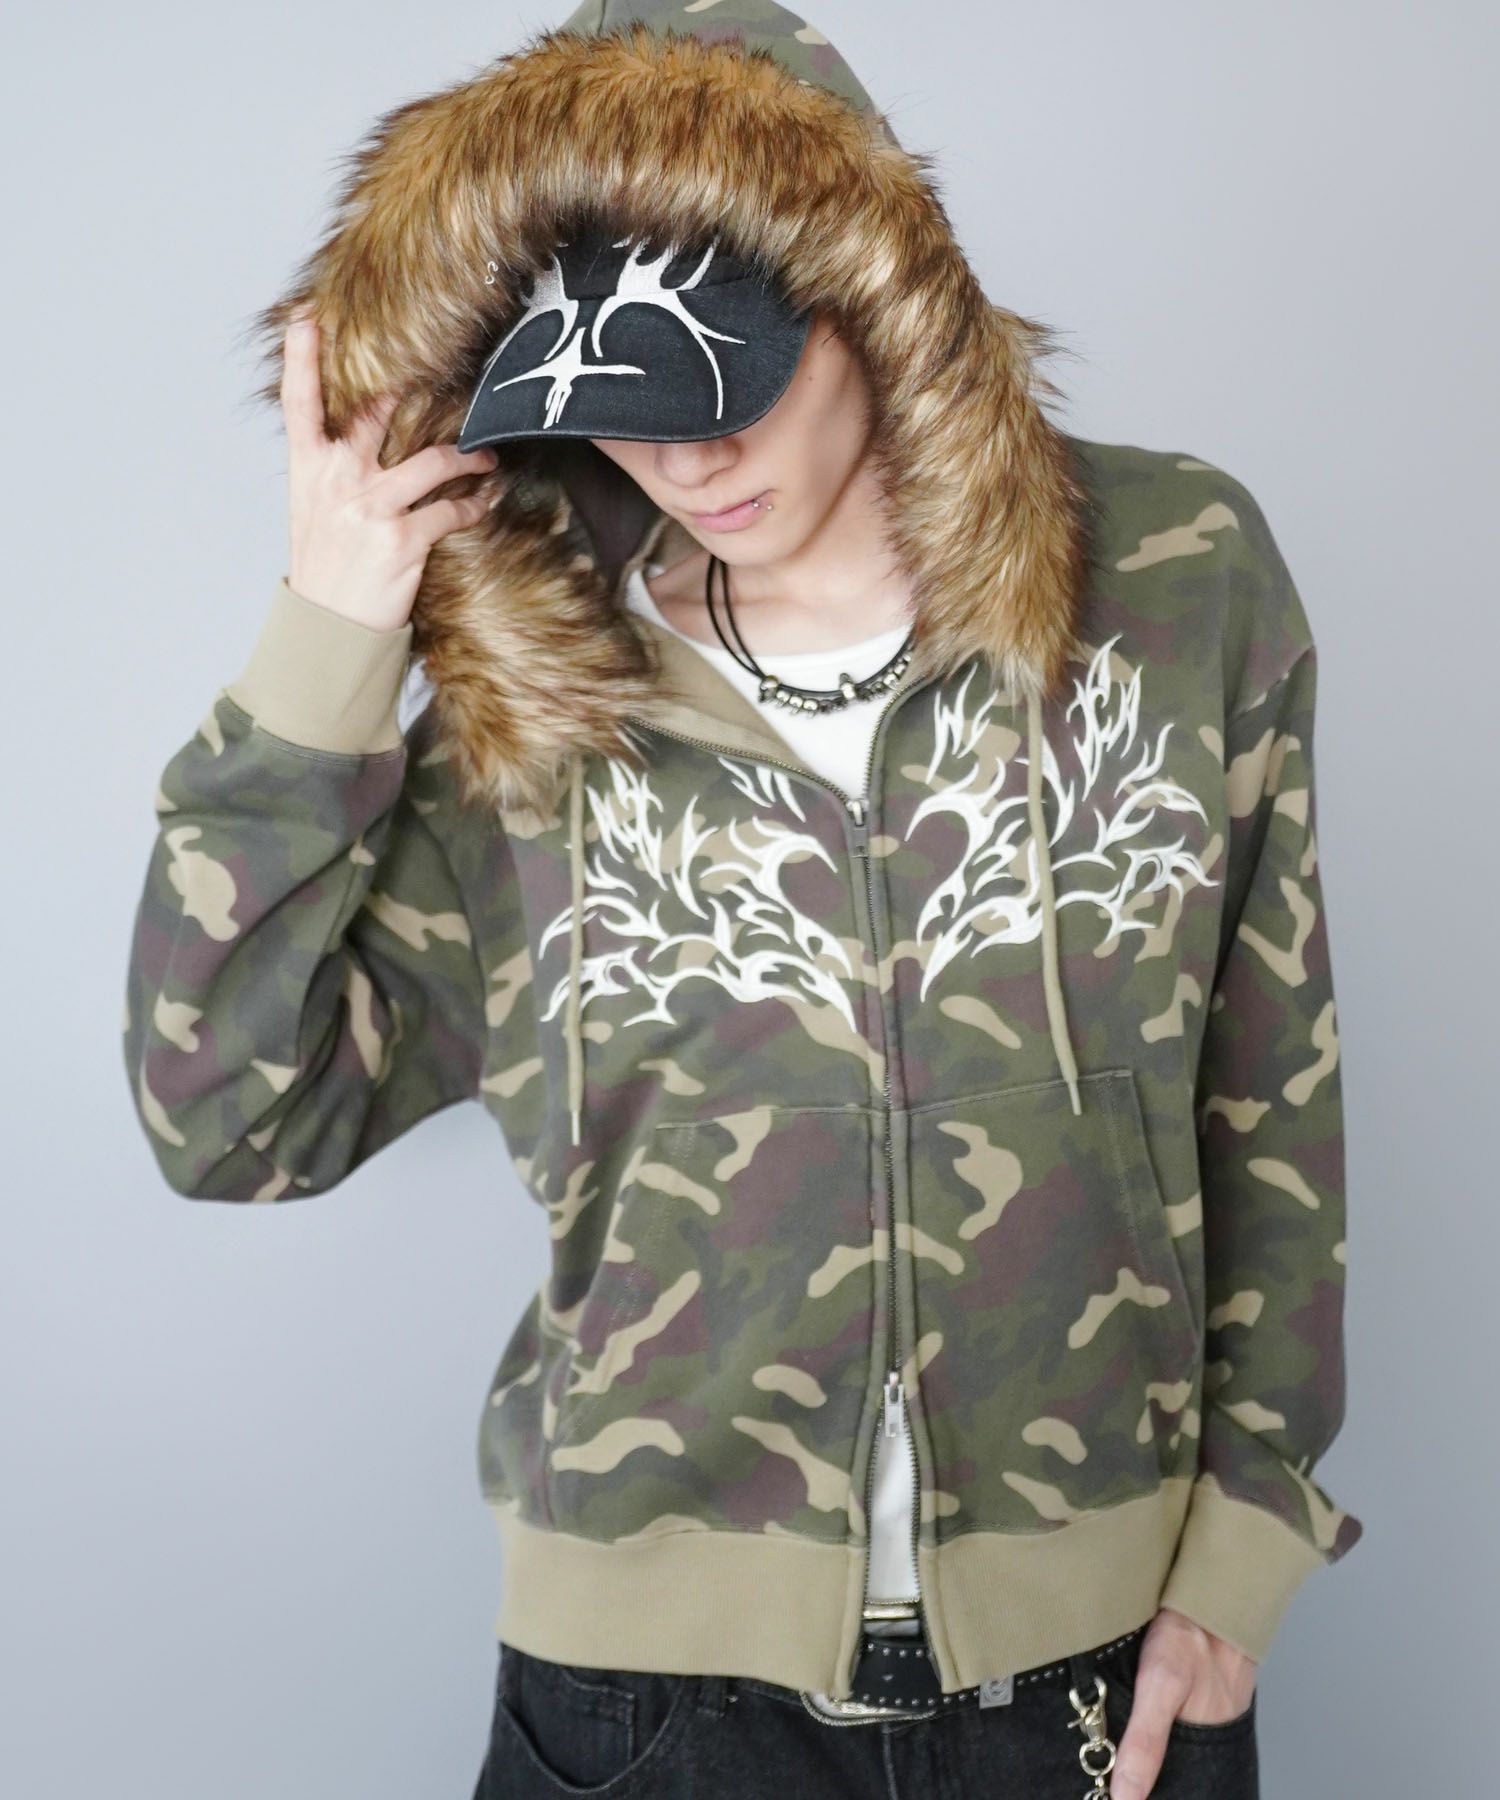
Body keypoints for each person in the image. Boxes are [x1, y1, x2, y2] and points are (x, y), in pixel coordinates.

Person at [121, 4, 1362, 1796]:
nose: (685, 461)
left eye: (726, 381)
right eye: (616, 412)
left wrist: (1241, 1568)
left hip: (1099, 1697)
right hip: (645, 1715)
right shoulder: (531, 714)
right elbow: (230, 1120)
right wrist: (332, 633)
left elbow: (1273, 1093)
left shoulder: (1181, 582)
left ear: (874, 291)